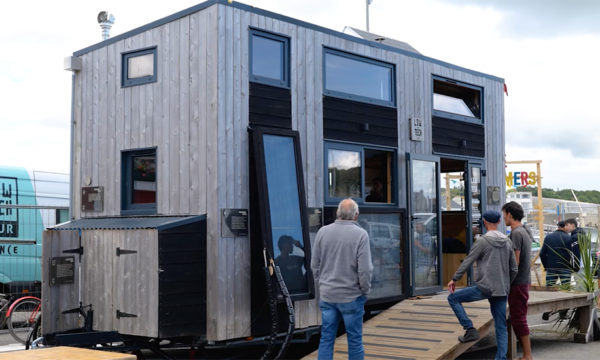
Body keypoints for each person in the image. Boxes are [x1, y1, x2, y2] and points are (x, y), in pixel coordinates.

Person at [447, 210, 517, 360]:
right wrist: (506, 285)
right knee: (501, 326)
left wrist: (454, 278)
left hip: (484, 286)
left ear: (484, 222)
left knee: (453, 299)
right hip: (501, 289)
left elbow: (468, 261)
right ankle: (501, 358)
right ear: (499, 222)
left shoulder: (482, 241)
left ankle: (469, 328)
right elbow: (514, 269)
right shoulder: (507, 241)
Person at [311, 198, 373, 360]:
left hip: (327, 296)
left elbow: (314, 265)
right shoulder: (361, 235)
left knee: (326, 339)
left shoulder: (322, 232)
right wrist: (365, 291)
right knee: (354, 340)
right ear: (356, 215)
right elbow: (365, 269)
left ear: (338, 214)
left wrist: (322, 285)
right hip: (351, 296)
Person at [502, 201, 533, 360]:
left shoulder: (516, 233)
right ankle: (526, 354)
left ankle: (527, 355)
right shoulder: (525, 230)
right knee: (518, 317)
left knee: (518, 318)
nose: (503, 218)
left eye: (504, 214)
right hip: (524, 280)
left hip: (518, 282)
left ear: (509, 214)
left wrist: (505, 281)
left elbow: (515, 261)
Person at [540, 221, 573, 286]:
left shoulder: (548, 237)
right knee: (566, 289)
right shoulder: (569, 238)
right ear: (565, 227)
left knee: (549, 289)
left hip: (551, 267)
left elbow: (542, 254)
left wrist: (546, 266)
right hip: (565, 266)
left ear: (558, 226)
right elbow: (573, 255)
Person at [414, 222, 435, 286]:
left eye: (418, 227)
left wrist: (418, 245)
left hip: (424, 265)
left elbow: (428, 251)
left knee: (422, 283)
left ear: (423, 228)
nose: (416, 229)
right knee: (419, 282)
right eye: (416, 227)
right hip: (418, 264)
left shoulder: (427, 238)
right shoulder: (418, 238)